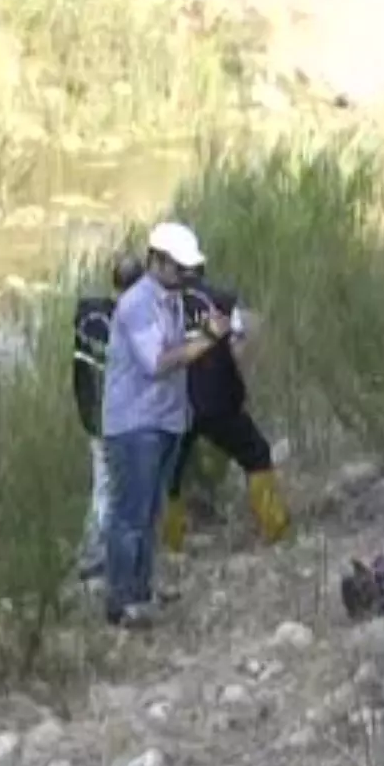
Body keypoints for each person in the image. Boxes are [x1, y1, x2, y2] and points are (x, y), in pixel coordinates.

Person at [101, 222, 230, 629]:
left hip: (164, 420)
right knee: (129, 516)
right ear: (156, 260)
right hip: (135, 423)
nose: (185, 276)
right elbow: (156, 362)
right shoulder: (138, 304)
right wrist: (209, 338)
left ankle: (140, 590)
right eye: (179, 268)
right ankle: (122, 601)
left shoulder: (169, 297)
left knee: (151, 510)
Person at [160, 267, 291, 552]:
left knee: (171, 475)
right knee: (256, 454)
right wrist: (241, 387)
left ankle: (172, 547)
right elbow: (238, 348)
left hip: (175, 406)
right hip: (217, 400)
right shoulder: (222, 300)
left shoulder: (160, 304)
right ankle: (275, 529)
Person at [72, 254, 145, 578]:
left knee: (102, 484)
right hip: (117, 419)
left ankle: (93, 550)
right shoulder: (131, 325)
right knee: (111, 488)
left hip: (90, 415)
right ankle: (98, 555)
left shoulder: (89, 316)